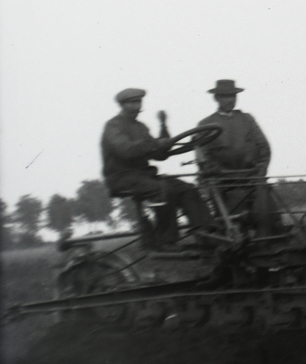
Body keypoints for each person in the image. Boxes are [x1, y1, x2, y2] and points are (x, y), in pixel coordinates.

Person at [101, 88, 214, 247]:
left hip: (144, 177)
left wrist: (163, 127)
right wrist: (155, 144)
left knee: (187, 189)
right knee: (163, 190)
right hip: (121, 178)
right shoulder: (113, 126)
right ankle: (165, 241)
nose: (136, 106)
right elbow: (126, 150)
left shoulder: (141, 128)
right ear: (122, 105)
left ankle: (208, 236)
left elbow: (160, 155)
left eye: (138, 102)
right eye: (131, 103)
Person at [195, 79, 277, 233]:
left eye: (233, 96)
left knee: (266, 204)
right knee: (227, 209)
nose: (230, 100)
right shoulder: (206, 124)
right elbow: (203, 156)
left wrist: (260, 169)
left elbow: (264, 147)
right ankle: (228, 236)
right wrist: (219, 172)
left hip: (250, 177)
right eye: (225, 96)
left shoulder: (247, 119)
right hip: (223, 180)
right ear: (216, 98)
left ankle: (267, 238)